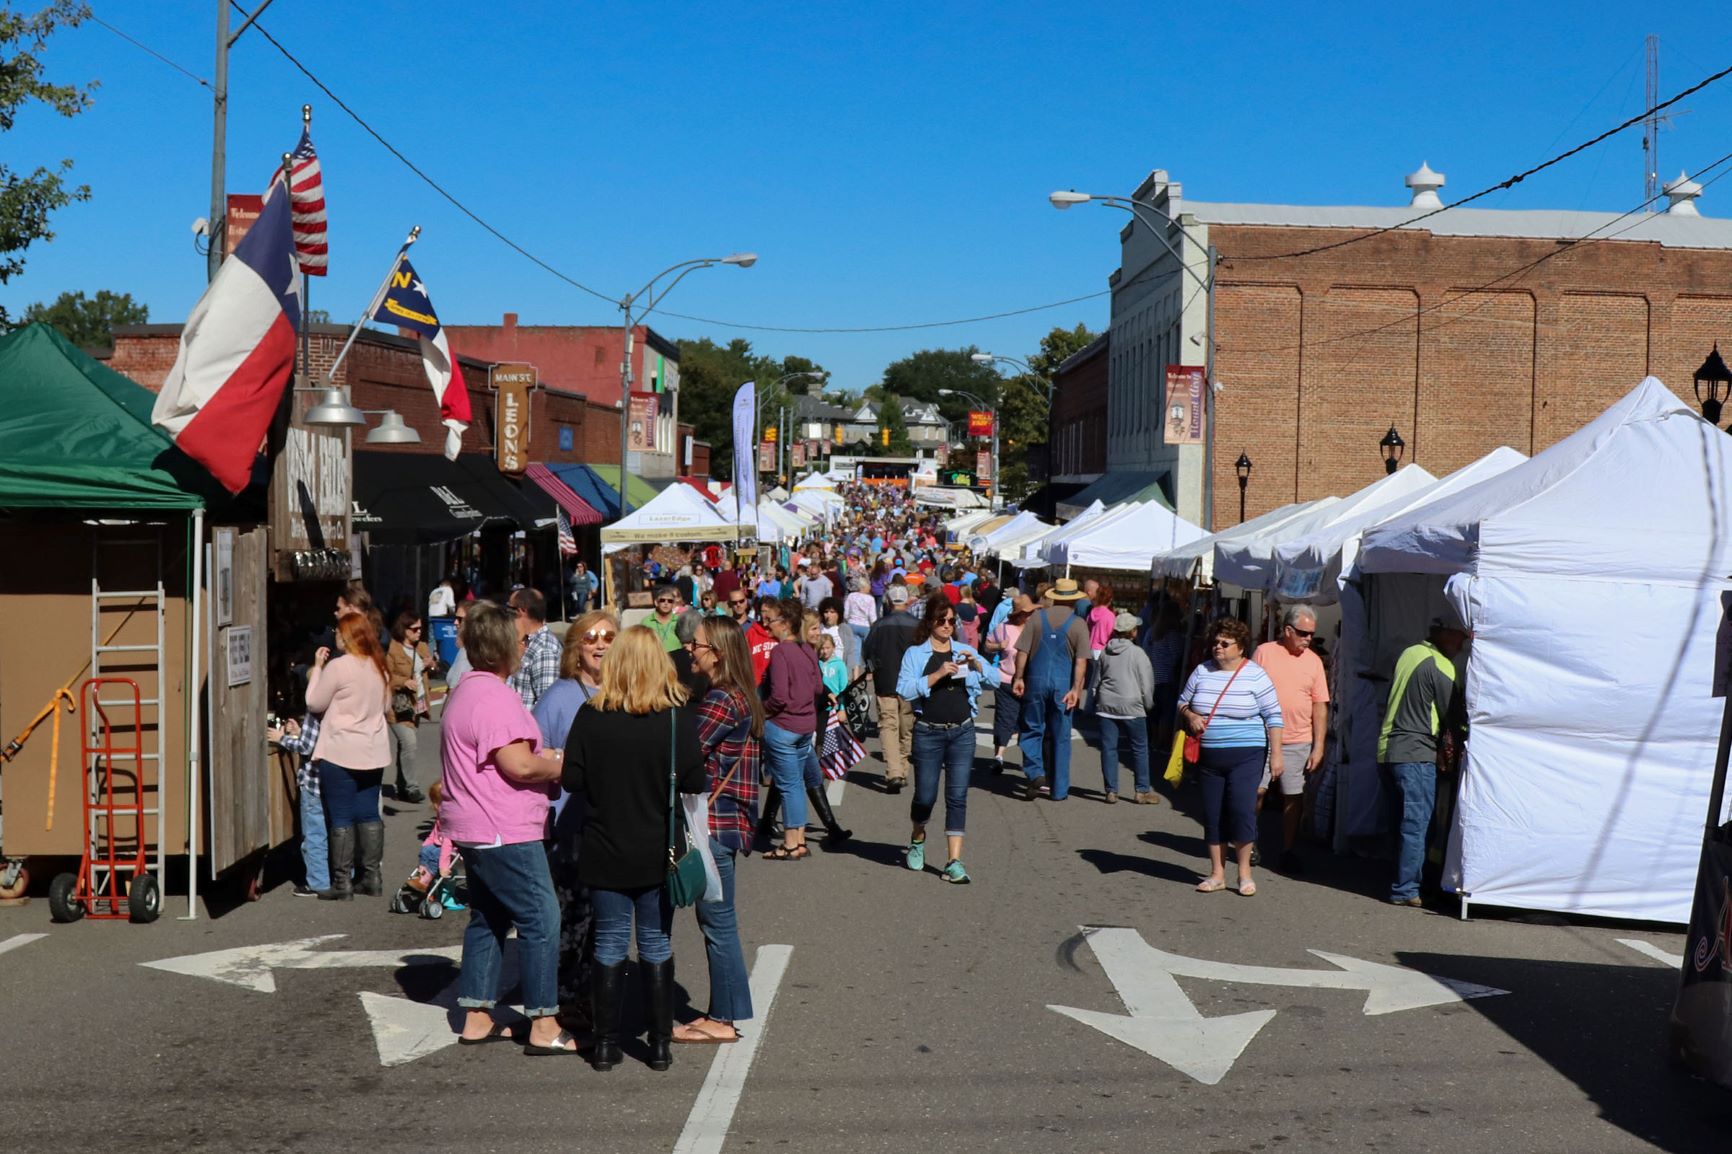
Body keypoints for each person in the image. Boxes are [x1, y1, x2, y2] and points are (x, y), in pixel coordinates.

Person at [562, 626, 704, 1072]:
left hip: (605, 845)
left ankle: (606, 1045)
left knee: (608, 943)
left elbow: (571, 780)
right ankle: (659, 1045)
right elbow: (697, 781)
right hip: (657, 848)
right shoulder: (675, 718)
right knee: (656, 942)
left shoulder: (590, 714)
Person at [439, 601, 569, 1051]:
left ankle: (476, 1015)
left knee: (489, 916)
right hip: (502, 826)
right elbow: (518, 765)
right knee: (541, 915)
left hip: (474, 824)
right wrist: (559, 766)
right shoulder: (495, 697)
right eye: (521, 638)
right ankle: (544, 1022)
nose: (524, 644)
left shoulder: (465, 690)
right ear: (503, 646)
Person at [675, 617, 762, 1045]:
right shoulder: (738, 694)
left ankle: (723, 1019)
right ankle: (725, 1012)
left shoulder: (721, 700)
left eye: (697, 644)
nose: (690, 649)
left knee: (717, 922)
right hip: (728, 820)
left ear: (719, 653)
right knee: (719, 920)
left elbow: (683, 753)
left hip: (714, 821)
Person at [532, 609, 615, 1028]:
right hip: (568, 827)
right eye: (590, 638)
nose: (600, 644)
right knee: (572, 918)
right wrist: (563, 760)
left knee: (605, 919)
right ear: (575, 648)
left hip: (614, 828)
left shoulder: (623, 691)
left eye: (608, 636)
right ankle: (564, 1000)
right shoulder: (559, 696)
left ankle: (595, 994)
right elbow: (530, 752)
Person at [1178, 616, 1285, 896]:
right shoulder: (1202, 671)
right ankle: (1217, 874)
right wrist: (1190, 715)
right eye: (1215, 642)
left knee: (1241, 809)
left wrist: (1277, 756)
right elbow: (1182, 702)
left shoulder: (1256, 675)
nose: (1218, 647)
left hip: (1247, 755)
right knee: (1212, 813)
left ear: (1240, 647)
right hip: (1210, 757)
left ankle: (1245, 873)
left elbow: (1274, 716)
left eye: (1225, 643)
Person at [896, 591, 987, 884]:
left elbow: (987, 680)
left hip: (962, 731)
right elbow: (904, 691)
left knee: (957, 797)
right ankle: (918, 837)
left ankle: (953, 862)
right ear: (930, 622)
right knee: (925, 797)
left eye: (951, 620)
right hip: (929, 733)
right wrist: (936, 675)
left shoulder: (962, 649)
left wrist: (977, 667)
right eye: (941, 620)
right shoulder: (915, 653)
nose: (947, 625)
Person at [1377, 617, 1467, 908]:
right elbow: (1454, 717)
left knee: (1398, 823)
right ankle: (1406, 889)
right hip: (1415, 753)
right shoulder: (1441, 665)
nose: (1462, 645)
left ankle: (1398, 879)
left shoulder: (1409, 652)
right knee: (1416, 826)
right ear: (1445, 635)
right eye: (1459, 638)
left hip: (1386, 751)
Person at [305, 612, 392, 900]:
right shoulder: (379, 665)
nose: (336, 637)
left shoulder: (339, 667)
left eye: (340, 634)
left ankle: (342, 882)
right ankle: (372, 876)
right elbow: (387, 704)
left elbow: (314, 702)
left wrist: (317, 667)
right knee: (368, 813)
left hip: (341, 750)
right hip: (373, 750)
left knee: (340, 816)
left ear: (349, 637)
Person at [1251, 605, 1332, 874]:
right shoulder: (1264, 652)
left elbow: (1320, 704)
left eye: (1311, 634)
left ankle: (1287, 849)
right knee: (1256, 792)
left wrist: (1319, 746)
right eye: (1303, 633)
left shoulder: (1314, 661)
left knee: (1293, 796)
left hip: (1298, 740)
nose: (1308, 639)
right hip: (1262, 737)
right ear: (1287, 630)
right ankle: (1248, 843)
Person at [1013, 579, 1092, 802]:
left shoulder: (1037, 618)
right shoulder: (1078, 624)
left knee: (1031, 728)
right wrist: (1076, 689)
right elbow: (1081, 661)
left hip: (1036, 681)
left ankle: (1036, 772)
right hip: (1063, 684)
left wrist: (1019, 677)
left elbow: (1022, 652)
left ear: (1054, 596)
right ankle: (1059, 789)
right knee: (1061, 735)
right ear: (1075, 600)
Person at [757, 600, 823, 860]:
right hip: (806, 723)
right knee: (795, 784)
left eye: (771, 620)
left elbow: (780, 696)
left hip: (784, 725)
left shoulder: (781, 652)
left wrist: (762, 710)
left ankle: (790, 843)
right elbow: (818, 687)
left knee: (788, 785)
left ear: (784, 624)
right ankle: (798, 840)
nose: (766, 624)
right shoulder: (807, 648)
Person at [1096, 610, 1157, 804]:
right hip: (1131, 704)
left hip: (1106, 704)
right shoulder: (1138, 653)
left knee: (1108, 748)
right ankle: (1141, 790)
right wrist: (1148, 704)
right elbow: (1147, 683)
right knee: (1139, 748)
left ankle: (1111, 790)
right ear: (1132, 632)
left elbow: (1096, 680)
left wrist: (1093, 702)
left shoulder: (1106, 651)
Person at [863, 584, 920, 793]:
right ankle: (902, 769)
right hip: (911, 684)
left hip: (885, 682)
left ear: (888, 602)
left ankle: (894, 771)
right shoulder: (917, 625)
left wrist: (873, 669)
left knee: (888, 727)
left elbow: (867, 652)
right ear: (907, 601)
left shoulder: (879, 625)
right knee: (907, 728)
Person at [266, 709, 327, 897]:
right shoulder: (338, 708)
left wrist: (281, 738)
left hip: (313, 781)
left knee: (314, 834)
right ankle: (343, 876)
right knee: (334, 830)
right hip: (333, 781)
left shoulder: (315, 710)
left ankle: (318, 882)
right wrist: (300, 732)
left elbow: (306, 747)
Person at [982, 592, 1034, 773]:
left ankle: (1028, 758)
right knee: (1005, 718)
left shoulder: (1035, 629)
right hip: (1005, 679)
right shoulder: (1003, 628)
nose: (1030, 615)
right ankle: (999, 756)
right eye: (1027, 612)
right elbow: (986, 646)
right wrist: (998, 646)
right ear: (1019, 614)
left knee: (1027, 720)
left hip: (1030, 682)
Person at [385, 611, 432, 804]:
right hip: (398, 707)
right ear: (404, 630)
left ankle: (402, 785)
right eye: (414, 629)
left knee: (404, 746)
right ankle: (412, 788)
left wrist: (430, 664)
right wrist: (404, 682)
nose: (419, 632)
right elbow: (386, 676)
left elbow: (426, 669)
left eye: (421, 628)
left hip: (417, 704)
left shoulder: (422, 647)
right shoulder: (393, 650)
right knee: (409, 743)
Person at [507, 587, 560, 709]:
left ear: (521, 611)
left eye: (509, 609)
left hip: (525, 726)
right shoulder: (524, 640)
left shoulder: (544, 650)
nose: (506, 615)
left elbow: (547, 706)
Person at [746, 595, 780, 685]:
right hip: (757, 684)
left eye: (769, 611)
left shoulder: (780, 632)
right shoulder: (752, 632)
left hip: (777, 683)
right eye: (763, 611)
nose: (766, 615)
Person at [646, 584, 683, 652]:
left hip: (676, 659)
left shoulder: (680, 621)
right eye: (662, 600)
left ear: (673, 604)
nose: (666, 603)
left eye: (670, 601)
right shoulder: (646, 621)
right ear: (656, 603)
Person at [843, 575, 878, 643]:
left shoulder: (851, 596)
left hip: (852, 624)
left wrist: (847, 620)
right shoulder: (870, 599)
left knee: (855, 649)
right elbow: (872, 617)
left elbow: (846, 613)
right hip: (865, 626)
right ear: (864, 587)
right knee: (866, 648)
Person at [817, 633, 849, 698]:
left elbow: (843, 687)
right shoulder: (817, 663)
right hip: (820, 704)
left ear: (833, 647)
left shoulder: (840, 664)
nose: (825, 651)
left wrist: (842, 706)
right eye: (822, 648)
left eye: (828, 648)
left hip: (835, 702)